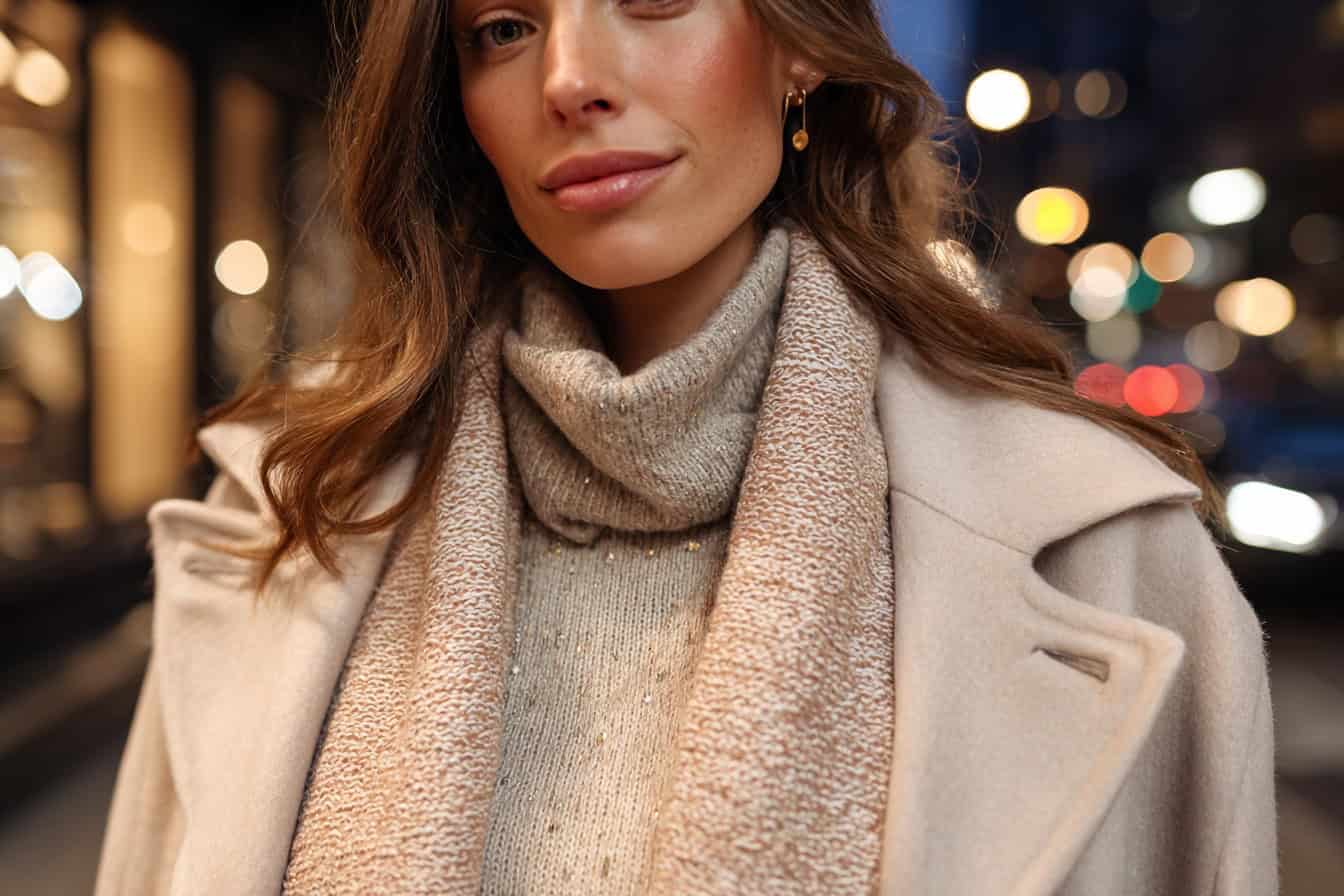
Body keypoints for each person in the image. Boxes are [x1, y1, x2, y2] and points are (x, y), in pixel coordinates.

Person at [94, 0, 1278, 894]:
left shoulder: (1107, 555)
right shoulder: (288, 509)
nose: (569, 79)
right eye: (502, 28)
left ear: (796, 42)